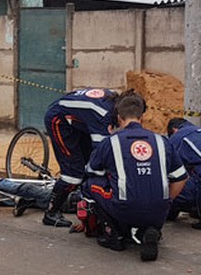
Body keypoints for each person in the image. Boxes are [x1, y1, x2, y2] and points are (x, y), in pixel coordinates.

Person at [82, 91, 188, 261]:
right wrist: (167, 201)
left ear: (118, 118)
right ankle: (144, 231)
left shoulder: (111, 142)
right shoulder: (162, 141)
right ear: (142, 118)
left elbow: (92, 172)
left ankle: (113, 234)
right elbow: (181, 177)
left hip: (124, 208)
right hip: (159, 211)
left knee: (89, 185)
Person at [42, 88, 119, 228]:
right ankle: (51, 212)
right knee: (73, 173)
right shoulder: (103, 115)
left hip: (77, 120)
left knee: (86, 163)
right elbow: (100, 154)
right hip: (59, 120)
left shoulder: (112, 99)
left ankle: (83, 202)